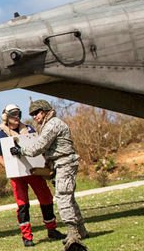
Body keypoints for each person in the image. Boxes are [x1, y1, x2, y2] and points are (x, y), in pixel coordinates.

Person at [12, 100, 90, 240]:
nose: (34, 116)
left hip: (64, 163)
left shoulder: (52, 124)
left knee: (63, 199)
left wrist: (20, 150)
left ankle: (73, 233)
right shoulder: (49, 124)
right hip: (62, 164)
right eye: (32, 114)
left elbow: (38, 147)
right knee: (69, 199)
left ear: (45, 111)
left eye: (36, 113)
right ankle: (81, 231)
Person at [0, 103, 63, 246]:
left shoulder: (29, 129)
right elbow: (0, 157)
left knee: (46, 198)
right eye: (13, 114)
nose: (17, 116)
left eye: (18, 113)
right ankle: (27, 237)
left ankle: (52, 229)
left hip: (33, 171)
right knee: (22, 204)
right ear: (6, 117)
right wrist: (9, 167)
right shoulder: (0, 135)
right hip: (17, 176)